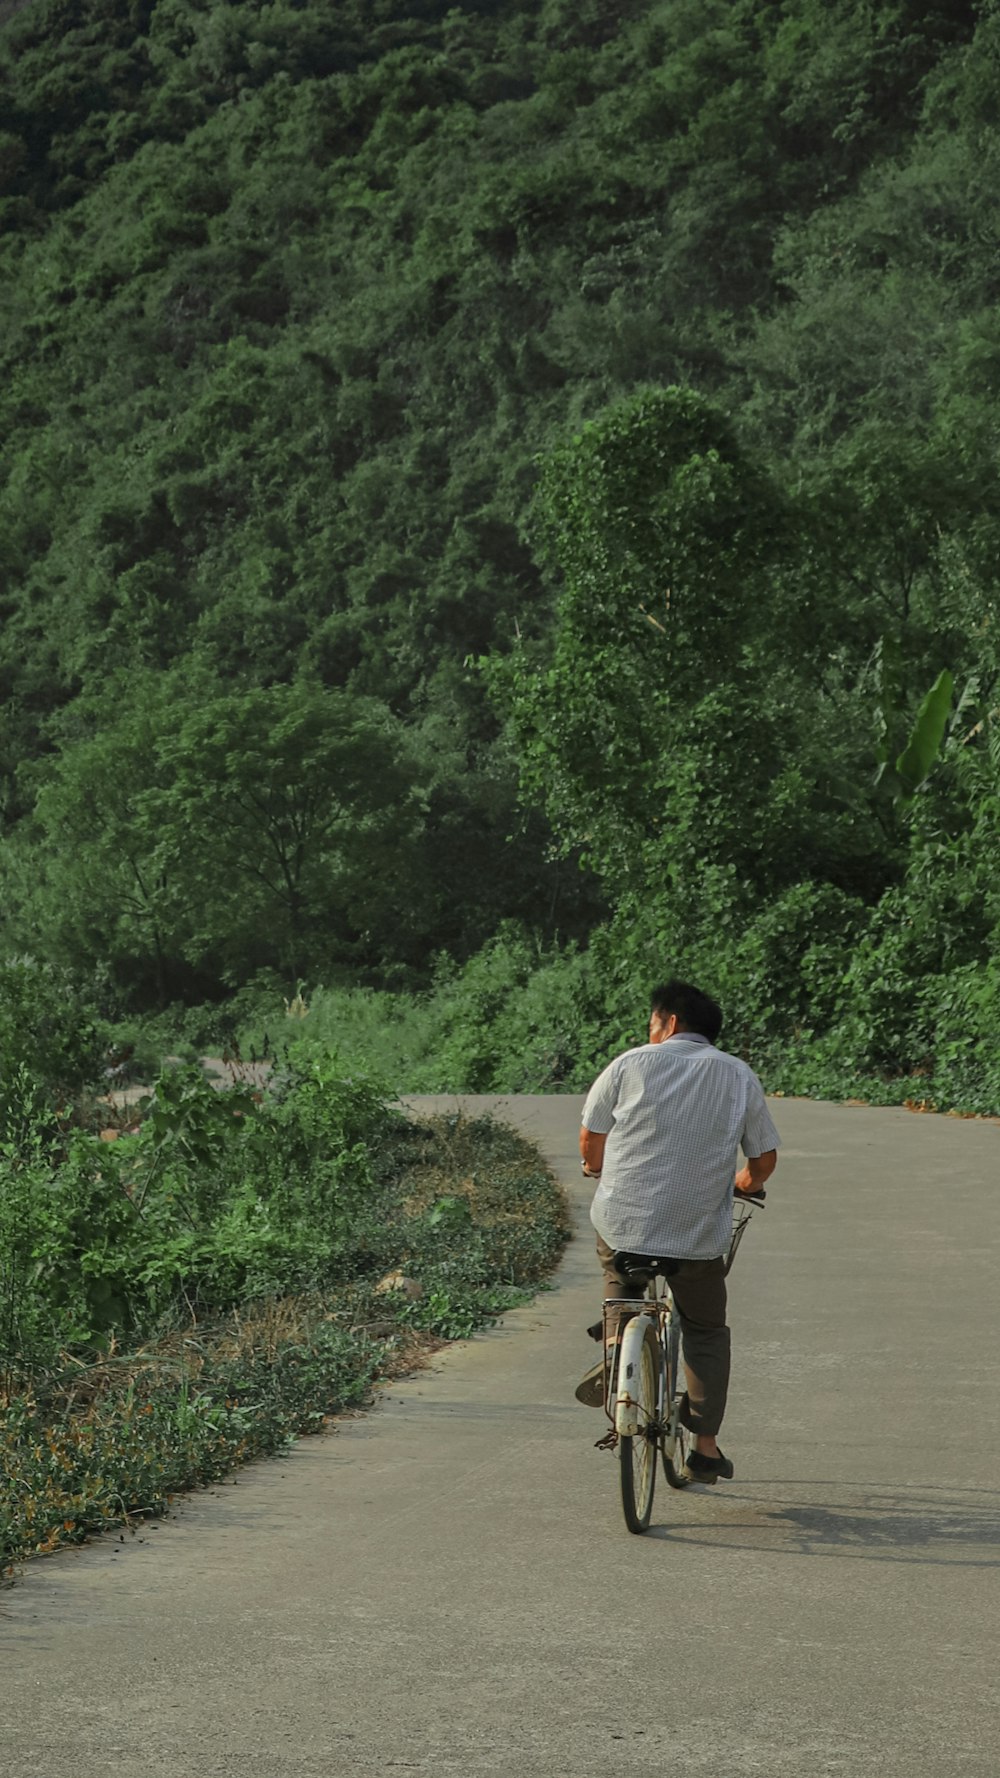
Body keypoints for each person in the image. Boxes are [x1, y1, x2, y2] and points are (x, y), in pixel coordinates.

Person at [576, 978, 779, 1484]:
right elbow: (763, 1159)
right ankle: (705, 1446)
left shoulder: (630, 1063)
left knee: (620, 1284)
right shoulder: (737, 1074)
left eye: (653, 1024)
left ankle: (616, 1347)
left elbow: (590, 1136)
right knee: (706, 1329)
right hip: (695, 1235)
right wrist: (744, 1182)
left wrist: (594, 1166)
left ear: (670, 1023)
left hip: (624, 1223)